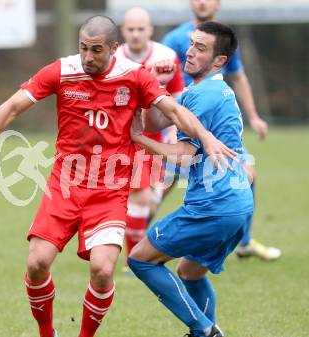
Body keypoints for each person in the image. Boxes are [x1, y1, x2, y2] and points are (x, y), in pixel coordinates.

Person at [0, 15, 236, 337]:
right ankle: (47, 333)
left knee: (103, 269)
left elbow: (175, 111)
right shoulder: (62, 71)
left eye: (96, 50)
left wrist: (205, 137)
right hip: (64, 185)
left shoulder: (134, 77)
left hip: (109, 190)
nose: (88, 57)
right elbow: (12, 107)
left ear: (114, 49)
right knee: (37, 263)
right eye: (83, 48)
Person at [129, 21, 253, 337]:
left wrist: (141, 141)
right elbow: (157, 117)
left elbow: (183, 154)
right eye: (191, 44)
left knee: (140, 260)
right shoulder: (202, 90)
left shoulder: (205, 95)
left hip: (213, 205)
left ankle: (204, 330)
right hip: (236, 205)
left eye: (200, 48)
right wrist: (154, 85)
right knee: (189, 272)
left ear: (219, 61)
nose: (190, 51)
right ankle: (207, 331)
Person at [162, 0, 281, 260]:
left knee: (247, 174)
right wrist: (172, 124)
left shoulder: (223, 40)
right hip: (180, 122)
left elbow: (237, 77)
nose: (202, 2)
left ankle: (244, 242)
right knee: (161, 183)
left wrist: (254, 116)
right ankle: (133, 239)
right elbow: (164, 85)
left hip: (214, 122)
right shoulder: (174, 38)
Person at [115, 7, 184, 272]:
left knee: (150, 200)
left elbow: (177, 94)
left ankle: (135, 245)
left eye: (140, 29)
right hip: (129, 138)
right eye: (130, 29)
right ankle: (134, 260)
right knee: (140, 198)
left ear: (150, 30)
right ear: (123, 31)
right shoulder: (115, 59)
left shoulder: (167, 56)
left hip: (161, 137)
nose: (135, 34)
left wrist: (177, 130)